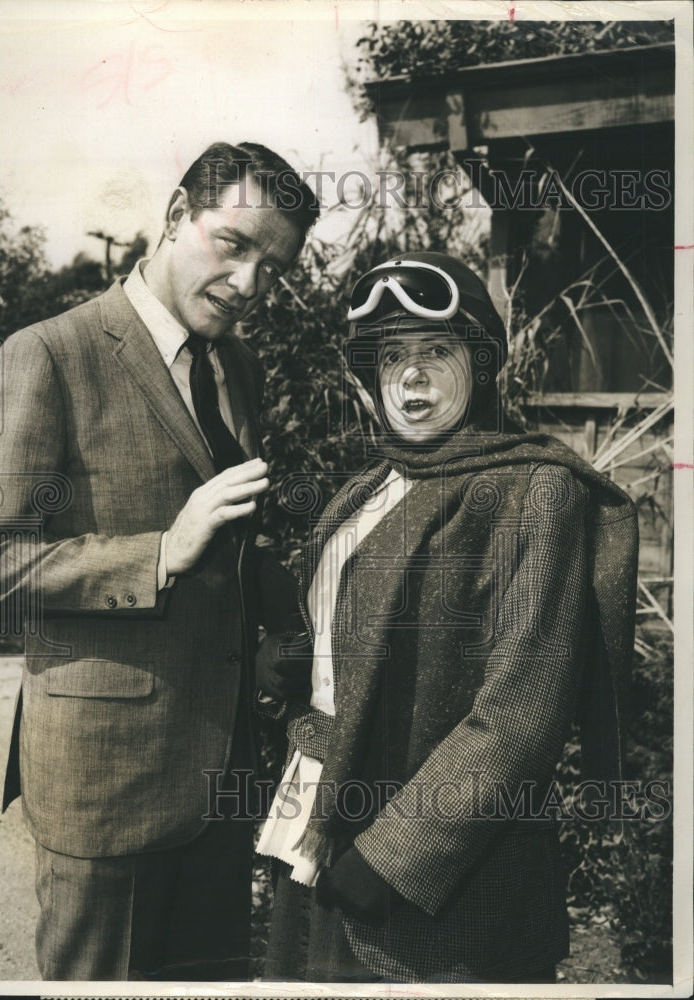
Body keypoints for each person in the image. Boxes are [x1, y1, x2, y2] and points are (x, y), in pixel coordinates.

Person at [0, 141, 319, 981]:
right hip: (104, 789)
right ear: (176, 219)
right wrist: (159, 554)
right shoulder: (46, 355)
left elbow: (236, 534)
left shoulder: (239, 365)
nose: (252, 284)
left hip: (220, 784)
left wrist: (281, 618)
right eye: (234, 245)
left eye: (275, 266)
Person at [255, 251, 639, 983]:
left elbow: (520, 713)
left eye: (437, 350)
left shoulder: (535, 488)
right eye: (391, 354)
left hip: (429, 882)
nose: (411, 374)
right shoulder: (371, 485)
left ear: (483, 362)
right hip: (315, 833)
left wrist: (391, 857)